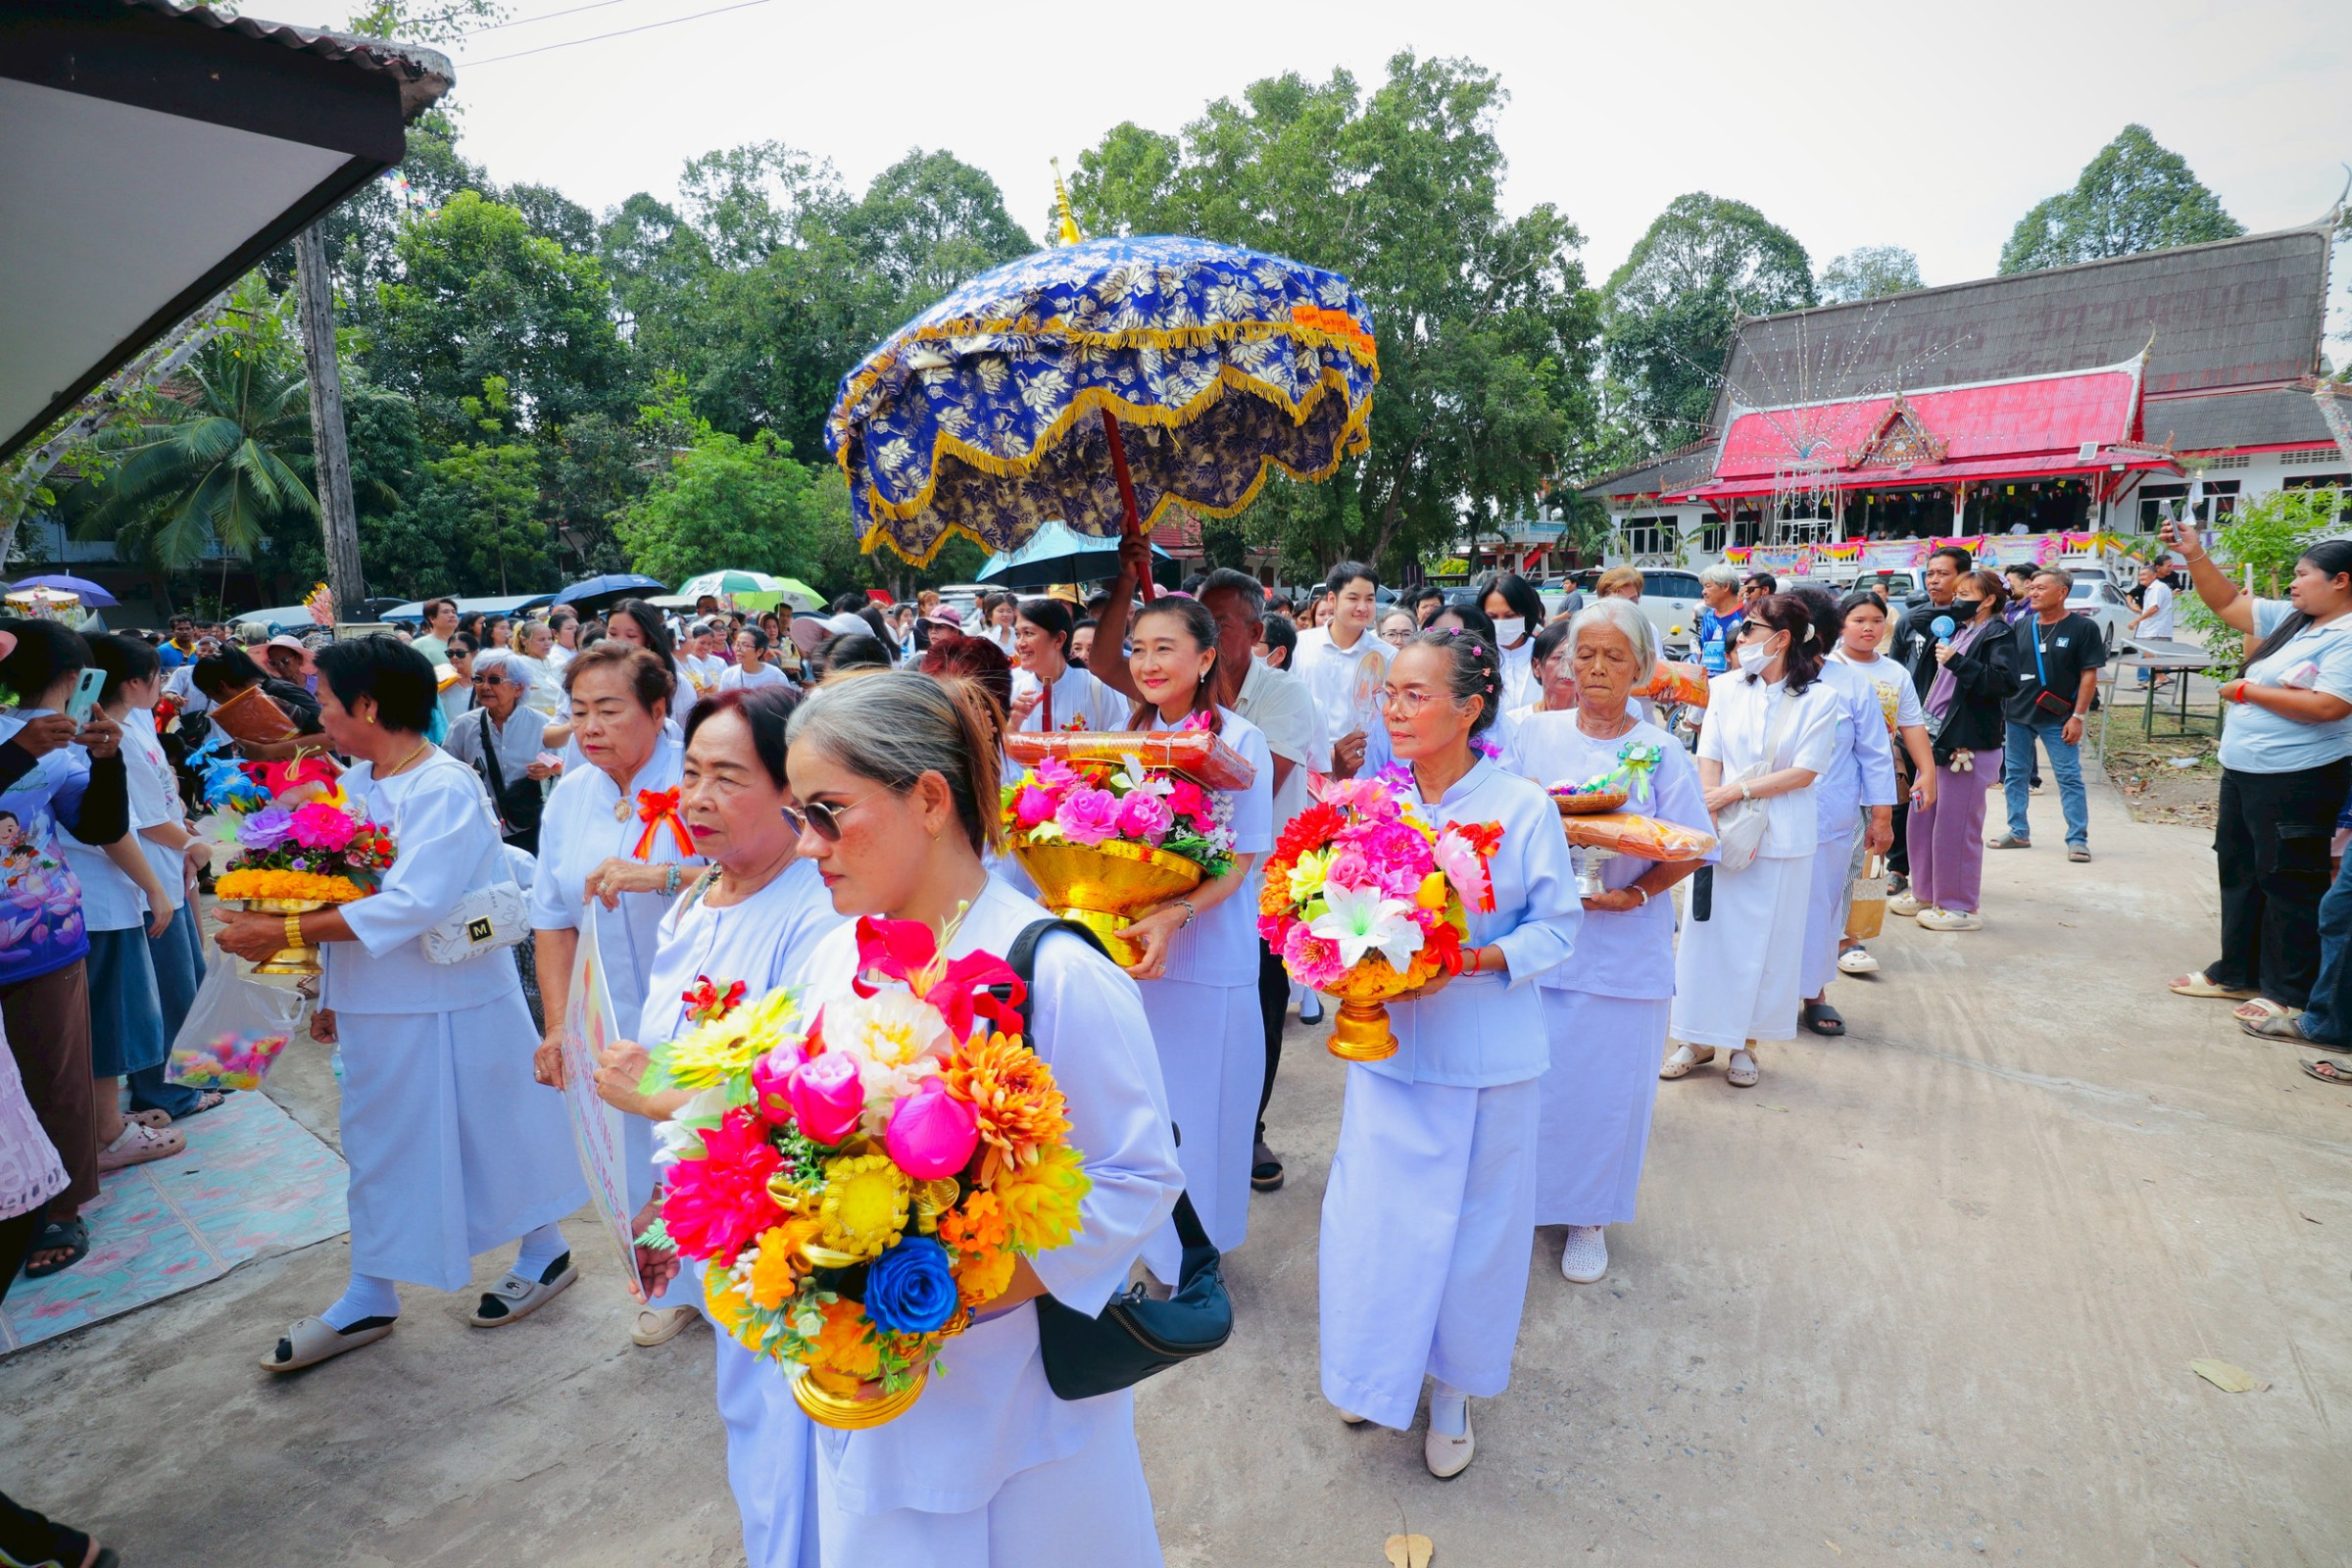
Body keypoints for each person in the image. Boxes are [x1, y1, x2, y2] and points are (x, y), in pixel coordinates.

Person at [782, 671, 1183, 1562]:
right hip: (864, 1386)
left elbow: (1138, 1178)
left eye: (827, 811)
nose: (810, 846)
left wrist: (942, 1295)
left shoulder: (1056, 971)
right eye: (797, 817)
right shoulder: (831, 954)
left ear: (928, 798)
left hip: (1019, 1409)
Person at [213, 636, 587, 1372]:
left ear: (369, 705)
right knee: (383, 1146)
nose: (316, 711)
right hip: (379, 1001)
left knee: (495, 1126)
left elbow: (413, 903)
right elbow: (343, 889)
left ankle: (543, 1250)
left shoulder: (442, 785)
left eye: (325, 699)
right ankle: (370, 1291)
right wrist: (327, 981)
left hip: (452, 997)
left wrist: (280, 929)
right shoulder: (359, 782)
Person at [583, 683, 841, 1563]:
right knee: (751, 1411)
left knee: (792, 1423)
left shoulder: (817, 917)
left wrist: (654, 1100)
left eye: (728, 778)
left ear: (792, 793)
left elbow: (805, 1097)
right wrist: (665, 1196)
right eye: (690, 774)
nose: (696, 799)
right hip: (713, 1208)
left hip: (785, 1220)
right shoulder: (700, 899)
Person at [1320, 628, 1579, 1477]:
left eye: (1416, 694)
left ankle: (1455, 1390)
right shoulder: (1368, 801)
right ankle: (1371, 1373)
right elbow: (1324, 902)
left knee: (1476, 1233)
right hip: (1389, 1054)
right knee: (1377, 1223)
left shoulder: (1519, 806)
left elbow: (1556, 927)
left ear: (1470, 708)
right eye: (1389, 692)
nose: (1395, 709)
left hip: (1486, 1056)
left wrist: (1466, 960)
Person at [1511, 601, 1709, 1284]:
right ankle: (1523, 1203)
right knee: (1531, 1086)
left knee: (1603, 1092)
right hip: (1538, 947)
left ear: (1641, 669)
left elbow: (1691, 846)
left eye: (1613, 657)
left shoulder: (1660, 751)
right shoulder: (1528, 735)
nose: (1594, 669)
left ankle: (1588, 1216)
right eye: (1583, 654)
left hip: (1621, 947)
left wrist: (1637, 893)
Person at [1100, 596, 1271, 1281]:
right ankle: (1152, 1243)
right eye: (1138, 648)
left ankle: (1202, 1255)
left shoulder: (1238, 740)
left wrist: (1180, 913)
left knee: (1207, 1116)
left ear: (1205, 658)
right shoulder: (1123, 732)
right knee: (1149, 1113)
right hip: (1140, 958)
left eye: (1165, 648)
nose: (1147, 662)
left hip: (1210, 956)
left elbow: (1238, 861)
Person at [2160, 526, 2352, 1022]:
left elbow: (2329, 705)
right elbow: (2226, 602)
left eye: (2303, 575)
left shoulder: (2347, 636)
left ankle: (2288, 992)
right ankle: (2236, 972)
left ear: (2341, 582)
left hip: (2298, 776)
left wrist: (2246, 692)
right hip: (2246, 769)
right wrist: (2194, 555)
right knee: (2240, 868)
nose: (2293, 584)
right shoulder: (2298, 619)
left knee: (2289, 879)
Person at [1661, 594, 1842, 1088]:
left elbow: (1803, 772)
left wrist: (1735, 791)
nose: (1739, 638)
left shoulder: (1821, 699)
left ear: (1782, 639)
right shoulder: (1723, 689)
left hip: (1783, 835)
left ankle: (1747, 1043)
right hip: (1722, 830)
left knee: (1768, 943)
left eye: (1749, 629)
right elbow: (1709, 754)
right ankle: (1695, 1038)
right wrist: (1709, 809)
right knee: (1708, 937)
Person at [0, 621, 132, 1279]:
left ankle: (60, 1207)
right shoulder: (25, 740)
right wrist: (18, 752)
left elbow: (99, 823)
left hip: (39, 936)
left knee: (54, 1076)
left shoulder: (59, 745)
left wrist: (110, 761)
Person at [90, 634, 221, 1124]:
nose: (164, 684)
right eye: (157, 676)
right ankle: (165, 1092)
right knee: (165, 995)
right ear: (132, 682)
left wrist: (185, 832)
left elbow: (162, 798)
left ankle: (192, 1079)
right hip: (146, 881)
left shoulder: (134, 722)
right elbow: (140, 821)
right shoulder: (112, 740)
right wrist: (192, 846)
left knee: (186, 984)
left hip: (165, 872)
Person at [1788, 590, 1898, 1036]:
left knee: (1820, 908)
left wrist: (1882, 818)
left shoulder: (1850, 684)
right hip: (1765, 818)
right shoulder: (1760, 680)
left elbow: (1875, 755)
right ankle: (1762, 995)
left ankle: (1814, 993)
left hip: (1829, 818)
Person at [1901, 571, 2018, 933]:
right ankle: (1925, 892)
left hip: (1966, 745)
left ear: (1987, 601)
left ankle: (1959, 906)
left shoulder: (1999, 633)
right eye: (1956, 594)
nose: (1957, 599)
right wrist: (1951, 608)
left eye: (1966, 595)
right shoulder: (1959, 628)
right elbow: (1916, 619)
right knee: (1922, 819)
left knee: (1956, 828)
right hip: (1935, 739)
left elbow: (2004, 682)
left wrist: (1957, 662)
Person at [1827, 591, 1935, 976]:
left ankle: (1850, 936)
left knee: (1866, 860)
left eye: (1876, 620)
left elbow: (1912, 725)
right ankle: (1831, 936)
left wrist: (1927, 770)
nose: (1869, 628)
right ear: (1840, 624)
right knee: (1835, 860)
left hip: (1876, 778)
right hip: (1831, 779)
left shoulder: (1895, 672)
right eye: (1859, 620)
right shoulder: (1825, 667)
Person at [1992, 567, 2102, 861]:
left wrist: (2077, 717)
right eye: (2032, 588)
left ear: (2062, 592)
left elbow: (2089, 676)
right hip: (2017, 715)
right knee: (2015, 775)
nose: (2033, 593)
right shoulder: (2022, 625)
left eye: (2041, 588)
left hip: (2059, 718)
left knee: (2069, 777)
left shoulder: (2083, 628)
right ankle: (2018, 831)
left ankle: (2077, 839)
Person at [444, 650, 555, 854]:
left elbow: (568, 770)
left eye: (494, 680)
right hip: (482, 830)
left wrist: (551, 771)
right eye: (479, 679)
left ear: (519, 688)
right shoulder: (462, 727)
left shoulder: (544, 726)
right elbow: (444, 777)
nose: (485, 686)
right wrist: (463, 773)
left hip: (533, 829)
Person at [1289, 563, 1390, 780]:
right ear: (1332, 600)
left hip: (1367, 772)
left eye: (1370, 599)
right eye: (1353, 598)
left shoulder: (1388, 656)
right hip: (1309, 771)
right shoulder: (1300, 646)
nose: (1362, 607)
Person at [1007, 598, 1125, 734]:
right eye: (1017, 634)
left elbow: (1118, 743)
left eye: (1028, 633)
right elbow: (1001, 752)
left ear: (1059, 639)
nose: (1020, 644)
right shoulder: (1014, 693)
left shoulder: (1095, 688)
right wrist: (1013, 725)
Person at [1476, 570, 1546, 710]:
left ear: (1526, 614)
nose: (1501, 623)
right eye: (1492, 617)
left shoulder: (1546, 654)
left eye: (1509, 616)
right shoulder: (1476, 659)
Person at [2128, 563, 2178, 687]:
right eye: (2140, 575)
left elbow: (2154, 608)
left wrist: (2136, 621)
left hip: (2156, 628)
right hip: (2150, 627)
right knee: (2147, 653)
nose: (2141, 577)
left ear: (2154, 575)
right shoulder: (2151, 589)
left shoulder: (2158, 588)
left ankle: (2159, 676)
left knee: (2150, 653)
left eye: (2144, 574)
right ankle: (2159, 676)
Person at [1694, 564, 1743, 676]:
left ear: (1726, 586)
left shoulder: (1746, 615)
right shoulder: (1708, 618)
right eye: (1703, 587)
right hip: (1711, 685)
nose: (1704, 592)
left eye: (1708, 586)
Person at [719, 625, 791, 691]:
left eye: (745, 645)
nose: (738, 649)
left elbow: (787, 700)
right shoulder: (729, 675)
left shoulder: (775, 675)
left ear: (759, 651)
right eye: (737, 644)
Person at [412, 598, 459, 666]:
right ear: (432, 619)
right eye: (445, 612)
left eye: (454, 612)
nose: (452, 615)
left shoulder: (466, 641)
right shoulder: (419, 645)